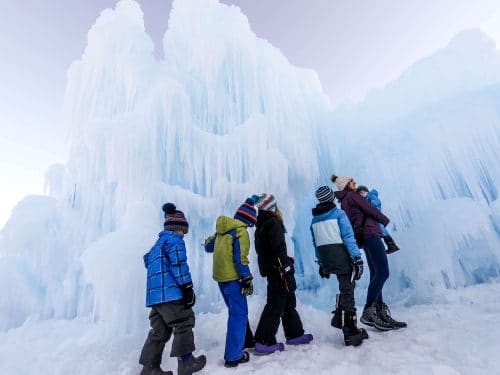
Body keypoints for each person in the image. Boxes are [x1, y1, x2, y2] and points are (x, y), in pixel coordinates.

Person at [331, 176, 407, 330]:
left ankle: (378, 311)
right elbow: (369, 208)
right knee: (383, 272)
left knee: (375, 273)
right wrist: (384, 219)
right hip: (370, 234)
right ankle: (369, 310)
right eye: (352, 182)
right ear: (346, 185)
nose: (355, 183)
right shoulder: (352, 196)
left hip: (363, 237)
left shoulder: (345, 200)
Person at [139, 203, 206, 375]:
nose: (184, 235)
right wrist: (188, 287)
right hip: (171, 294)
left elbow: (150, 264)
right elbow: (179, 264)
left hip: (156, 298)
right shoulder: (174, 240)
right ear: (178, 228)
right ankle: (186, 362)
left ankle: (149, 368)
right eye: (184, 231)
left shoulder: (156, 246)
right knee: (184, 321)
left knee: (159, 331)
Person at [252, 194, 313, 354]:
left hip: (272, 268)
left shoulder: (261, 225)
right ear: (271, 207)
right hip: (278, 270)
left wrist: (284, 261)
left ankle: (294, 334)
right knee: (275, 304)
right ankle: (263, 341)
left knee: (287, 302)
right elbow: (279, 249)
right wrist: (285, 268)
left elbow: (266, 251)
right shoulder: (273, 223)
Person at [310, 186, 368, 346]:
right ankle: (350, 332)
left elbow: (316, 244)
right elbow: (348, 237)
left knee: (346, 287)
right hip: (343, 258)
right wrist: (357, 258)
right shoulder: (338, 214)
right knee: (348, 290)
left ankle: (339, 318)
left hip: (329, 260)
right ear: (331, 198)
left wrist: (321, 262)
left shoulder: (314, 220)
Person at [204, 197, 257, 368]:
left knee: (236, 312)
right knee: (238, 315)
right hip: (234, 279)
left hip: (221, 280)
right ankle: (233, 356)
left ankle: (244, 341)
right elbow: (241, 258)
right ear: (248, 220)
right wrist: (246, 278)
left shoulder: (222, 230)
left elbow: (208, 247)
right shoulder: (240, 231)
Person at [357, 185, 400, 254]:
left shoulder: (371, 196)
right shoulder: (367, 198)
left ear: (366, 191)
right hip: (375, 217)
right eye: (360, 194)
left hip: (376, 216)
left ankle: (392, 245)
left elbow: (376, 205)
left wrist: (371, 209)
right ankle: (389, 246)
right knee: (379, 230)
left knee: (381, 230)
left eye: (362, 192)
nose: (362, 194)